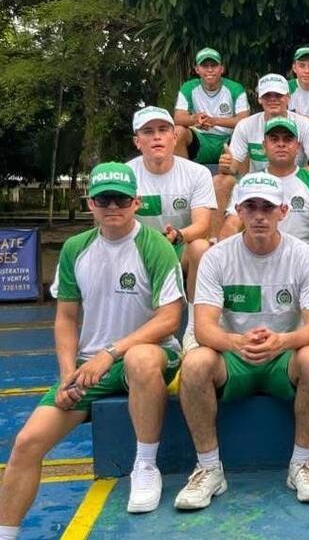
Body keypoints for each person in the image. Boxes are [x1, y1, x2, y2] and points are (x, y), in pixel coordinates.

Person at [0, 163, 183, 534]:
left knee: (140, 358)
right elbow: (66, 318)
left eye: (121, 199)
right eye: (103, 199)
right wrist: (68, 373)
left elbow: (169, 319)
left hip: (149, 353)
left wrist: (110, 352)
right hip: (90, 365)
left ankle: (145, 465)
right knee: (27, 442)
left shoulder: (156, 246)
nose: (112, 206)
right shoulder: (75, 249)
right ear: (90, 204)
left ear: (136, 202)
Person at [174, 173, 309, 510]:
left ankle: (302, 464)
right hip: (234, 358)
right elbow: (203, 328)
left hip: (282, 358)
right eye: (251, 206)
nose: (259, 215)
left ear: (283, 211)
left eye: (267, 207)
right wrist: (235, 342)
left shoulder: (305, 256)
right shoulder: (216, 257)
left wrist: (282, 340)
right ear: (238, 211)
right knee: (196, 362)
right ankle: (209, 468)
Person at [218, 117, 309, 318]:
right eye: (274, 139)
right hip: (261, 250)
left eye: (287, 139)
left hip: (305, 252)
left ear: (298, 146)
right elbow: (232, 224)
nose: (281, 144)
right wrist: (223, 251)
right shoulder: (248, 182)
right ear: (264, 146)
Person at [214, 73, 309, 235]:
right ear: (259, 99)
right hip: (256, 183)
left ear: (288, 97)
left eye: (278, 95)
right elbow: (234, 166)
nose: (273, 99)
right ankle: (216, 241)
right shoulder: (245, 125)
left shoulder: (304, 124)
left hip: (295, 181)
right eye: (267, 95)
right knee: (221, 180)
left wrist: (287, 176)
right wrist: (227, 165)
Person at [127, 107, 214, 306]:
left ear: (174, 137)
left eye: (163, 130)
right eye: (148, 131)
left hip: (178, 247)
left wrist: (177, 235)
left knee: (201, 248)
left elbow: (203, 226)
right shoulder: (126, 175)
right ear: (137, 141)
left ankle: (194, 318)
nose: (157, 137)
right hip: (137, 249)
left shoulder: (198, 173)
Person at [173, 47, 249, 165]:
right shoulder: (188, 87)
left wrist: (214, 121)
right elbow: (178, 118)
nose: (210, 70)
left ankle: (242, 175)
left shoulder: (235, 88)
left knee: (247, 133)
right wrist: (195, 119)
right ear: (197, 69)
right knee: (177, 131)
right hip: (200, 139)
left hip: (228, 140)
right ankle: (183, 174)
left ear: (222, 69)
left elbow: (244, 120)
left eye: (214, 65)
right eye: (204, 66)